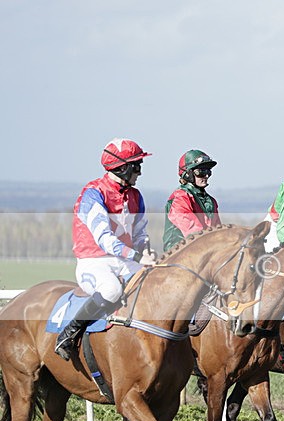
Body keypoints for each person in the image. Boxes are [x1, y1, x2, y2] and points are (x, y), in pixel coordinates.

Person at [54, 138, 157, 361]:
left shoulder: (135, 196)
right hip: (94, 261)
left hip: (124, 261)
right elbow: (105, 239)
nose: (140, 172)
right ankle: (68, 334)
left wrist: (146, 250)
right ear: (123, 167)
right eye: (137, 165)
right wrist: (137, 256)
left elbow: (140, 233)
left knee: (154, 284)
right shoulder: (93, 193)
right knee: (111, 290)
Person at [163, 149, 221, 252]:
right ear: (187, 174)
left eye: (208, 171)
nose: (206, 175)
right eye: (201, 171)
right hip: (179, 255)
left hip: (204, 252)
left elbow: (218, 232)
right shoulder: (180, 198)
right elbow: (193, 233)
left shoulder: (212, 201)